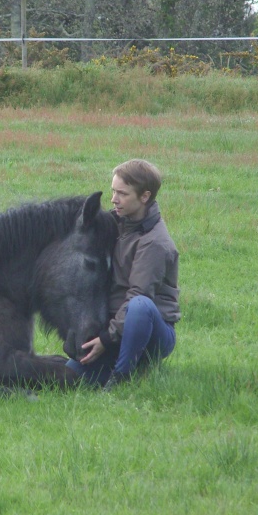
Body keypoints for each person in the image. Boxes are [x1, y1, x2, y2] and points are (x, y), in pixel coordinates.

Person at [66, 159, 180, 390]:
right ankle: (125, 368)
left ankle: (122, 377)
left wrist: (106, 340)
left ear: (144, 197)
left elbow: (138, 295)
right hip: (114, 327)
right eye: (113, 191)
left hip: (150, 332)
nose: (113, 199)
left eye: (122, 193)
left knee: (140, 305)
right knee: (70, 377)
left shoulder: (154, 243)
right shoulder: (113, 224)